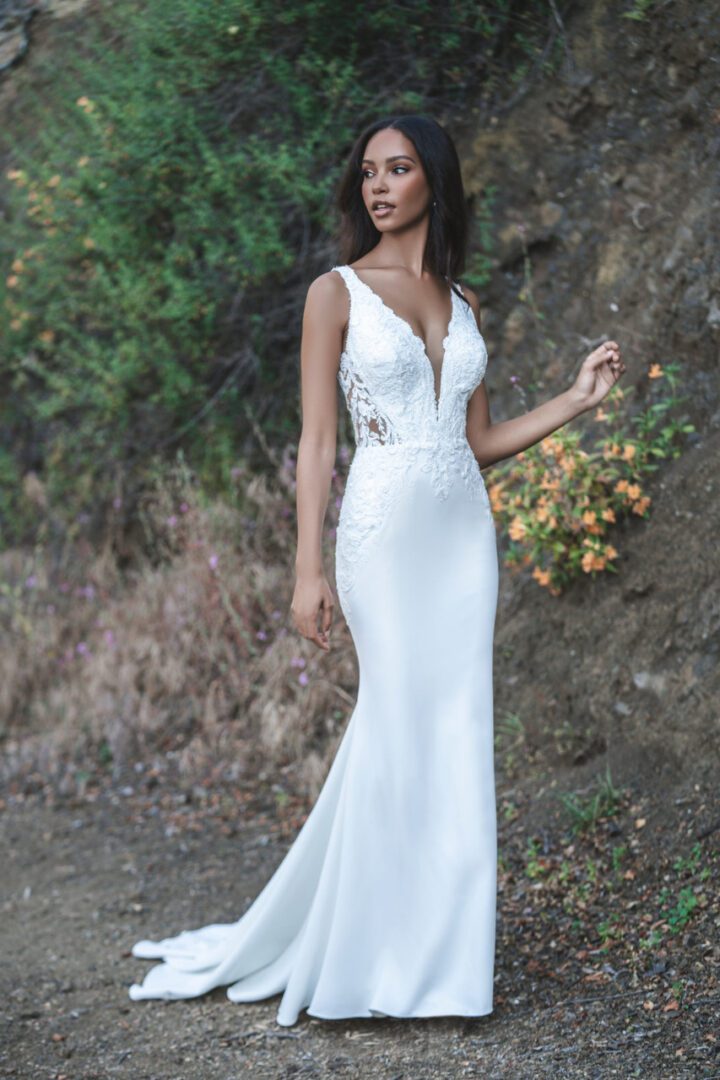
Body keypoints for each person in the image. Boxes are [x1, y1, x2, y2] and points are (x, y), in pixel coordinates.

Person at [128, 115, 624, 1026]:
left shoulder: (465, 299)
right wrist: (305, 569)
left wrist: (575, 399)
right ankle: (368, 962)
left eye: (398, 169)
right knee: (397, 722)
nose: (380, 187)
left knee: (454, 731)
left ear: (435, 178)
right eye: (368, 173)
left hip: (462, 542)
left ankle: (446, 969)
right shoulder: (337, 293)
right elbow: (319, 442)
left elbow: (477, 443)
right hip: (382, 535)